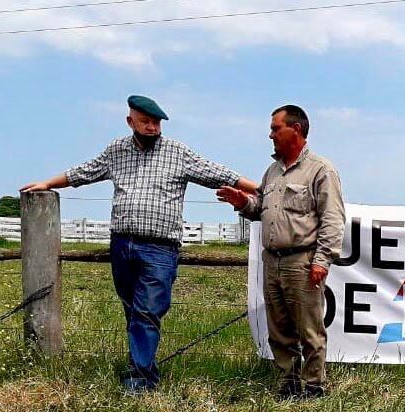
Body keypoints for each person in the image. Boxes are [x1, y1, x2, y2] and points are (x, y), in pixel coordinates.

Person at [21, 95, 257, 393]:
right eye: (145, 121)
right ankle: (141, 366)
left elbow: (221, 174)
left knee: (147, 311)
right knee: (132, 309)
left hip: (160, 246)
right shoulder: (116, 151)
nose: (152, 127)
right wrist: (47, 184)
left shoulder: (177, 152)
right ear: (130, 121)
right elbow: (84, 172)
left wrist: (262, 189)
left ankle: (141, 380)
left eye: (156, 122)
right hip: (122, 244)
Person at [215, 105, 345, 398]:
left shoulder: (321, 170)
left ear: (295, 130)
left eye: (275, 128)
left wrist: (322, 260)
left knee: (310, 330)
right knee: (279, 330)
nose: (270, 134)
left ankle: (313, 386)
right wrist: (242, 202)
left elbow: (333, 219)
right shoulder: (272, 171)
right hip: (272, 261)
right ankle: (288, 384)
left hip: (302, 260)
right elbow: (260, 208)